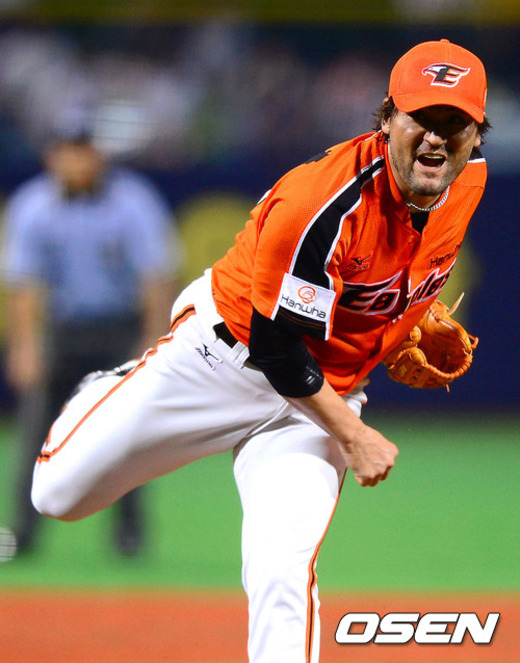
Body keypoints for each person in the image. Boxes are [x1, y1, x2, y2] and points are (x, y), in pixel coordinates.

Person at [30, 39, 488, 661]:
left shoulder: (467, 183)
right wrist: (355, 437)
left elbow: (395, 272)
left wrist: (403, 319)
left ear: (477, 135)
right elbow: (278, 348)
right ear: (386, 119)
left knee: (282, 570)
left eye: (454, 123)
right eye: (421, 118)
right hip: (221, 361)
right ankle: (107, 387)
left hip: (317, 399)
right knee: (56, 495)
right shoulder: (318, 202)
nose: (436, 138)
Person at [1, 125, 181, 555]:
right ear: (52, 157)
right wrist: (25, 347)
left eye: (84, 152)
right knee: (37, 433)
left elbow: (156, 277)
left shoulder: (132, 201)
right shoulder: (33, 205)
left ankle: (129, 534)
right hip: (60, 331)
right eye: (68, 152)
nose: (77, 162)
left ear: (99, 156)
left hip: (118, 329)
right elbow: (23, 285)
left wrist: (152, 340)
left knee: (126, 436)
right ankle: (22, 534)